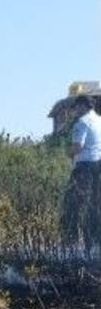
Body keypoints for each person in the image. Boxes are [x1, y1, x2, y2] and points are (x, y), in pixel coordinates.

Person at [61, 95, 101, 255]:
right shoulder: (99, 120)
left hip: (85, 168)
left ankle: (71, 247)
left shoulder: (82, 122)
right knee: (94, 207)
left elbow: (78, 146)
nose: (75, 110)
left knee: (72, 206)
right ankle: (94, 246)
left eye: (76, 107)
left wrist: (67, 153)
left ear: (83, 106)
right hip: (99, 165)